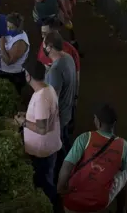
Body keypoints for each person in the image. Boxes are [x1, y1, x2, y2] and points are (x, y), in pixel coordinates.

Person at [58, 103, 127, 213]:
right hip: (99, 203)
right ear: (114, 123)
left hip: (72, 202)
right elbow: (122, 168)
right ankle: (121, 210)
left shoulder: (85, 138)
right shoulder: (124, 145)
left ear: (98, 122)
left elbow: (67, 166)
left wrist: (61, 188)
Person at [15, 61, 62, 211]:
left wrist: (23, 123)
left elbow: (42, 128)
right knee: (46, 181)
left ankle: (54, 208)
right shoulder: (48, 89)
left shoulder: (42, 97)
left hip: (43, 152)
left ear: (28, 76)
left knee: (45, 186)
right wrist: (27, 117)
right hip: (48, 148)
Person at [44, 30, 78, 161]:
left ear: (50, 47)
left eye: (44, 44)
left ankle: (66, 171)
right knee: (66, 140)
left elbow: (53, 101)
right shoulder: (68, 58)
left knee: (60, 149)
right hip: (68, 110)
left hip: (60, 117)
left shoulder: (56, 70)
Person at [0, 12, 30, 91]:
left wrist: (1, 45)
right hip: (3, 71)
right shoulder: (11, 33)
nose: (8, 29)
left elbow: (9, 62)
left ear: (18, 28)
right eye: (8, 26)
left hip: (12, 75)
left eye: (11, 28)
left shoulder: (20, 43)